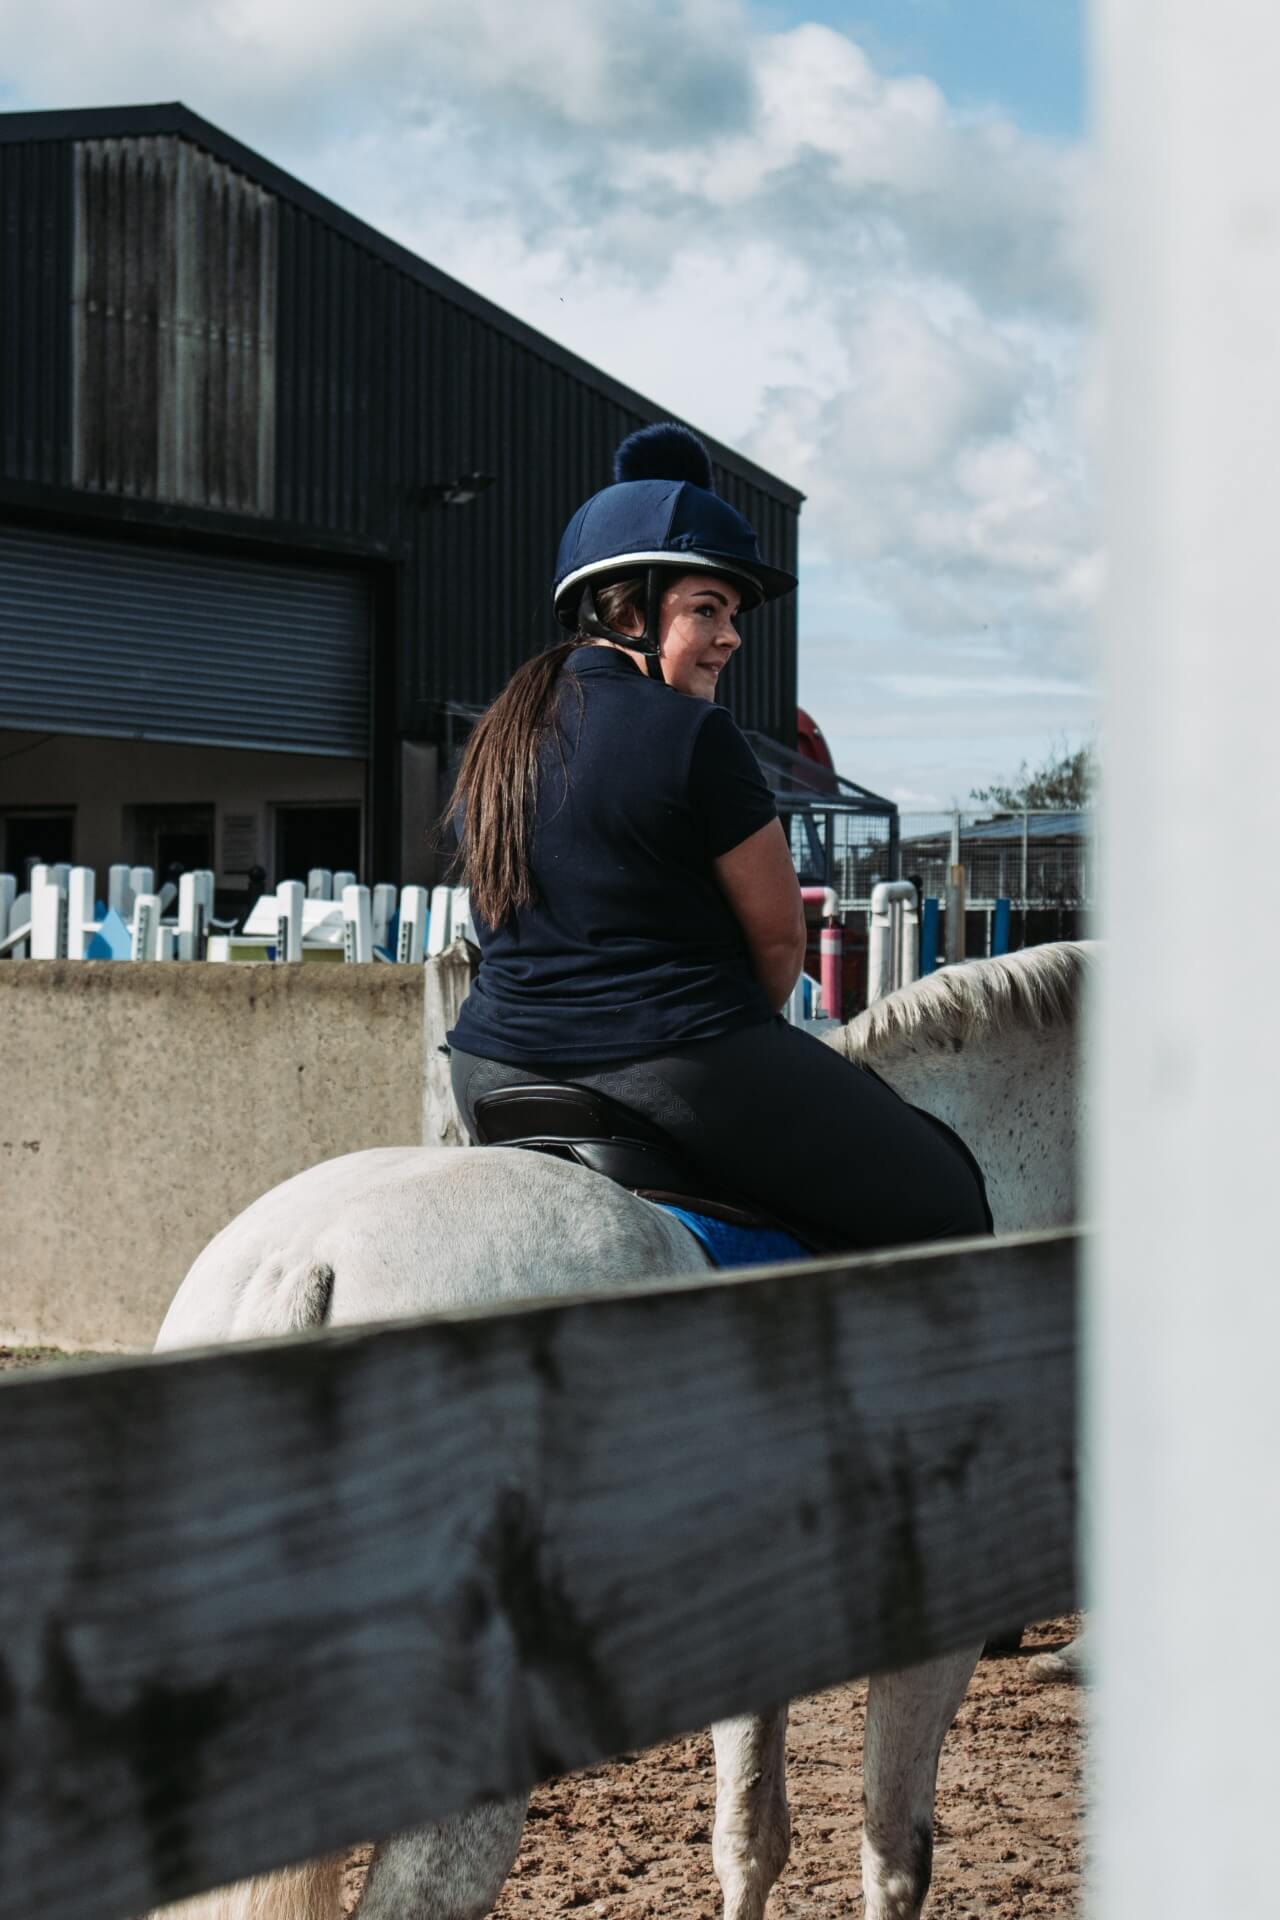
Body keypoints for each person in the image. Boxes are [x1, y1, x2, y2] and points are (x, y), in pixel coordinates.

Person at [446, 423, 988, 1250]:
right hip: (672, 1064)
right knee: (948, 1199)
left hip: (487, 1070)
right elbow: (779, 942)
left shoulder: (499, 735)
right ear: (626, 607)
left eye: (732, 614)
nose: (731, 636)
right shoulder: (696, 734)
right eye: (707, 609)